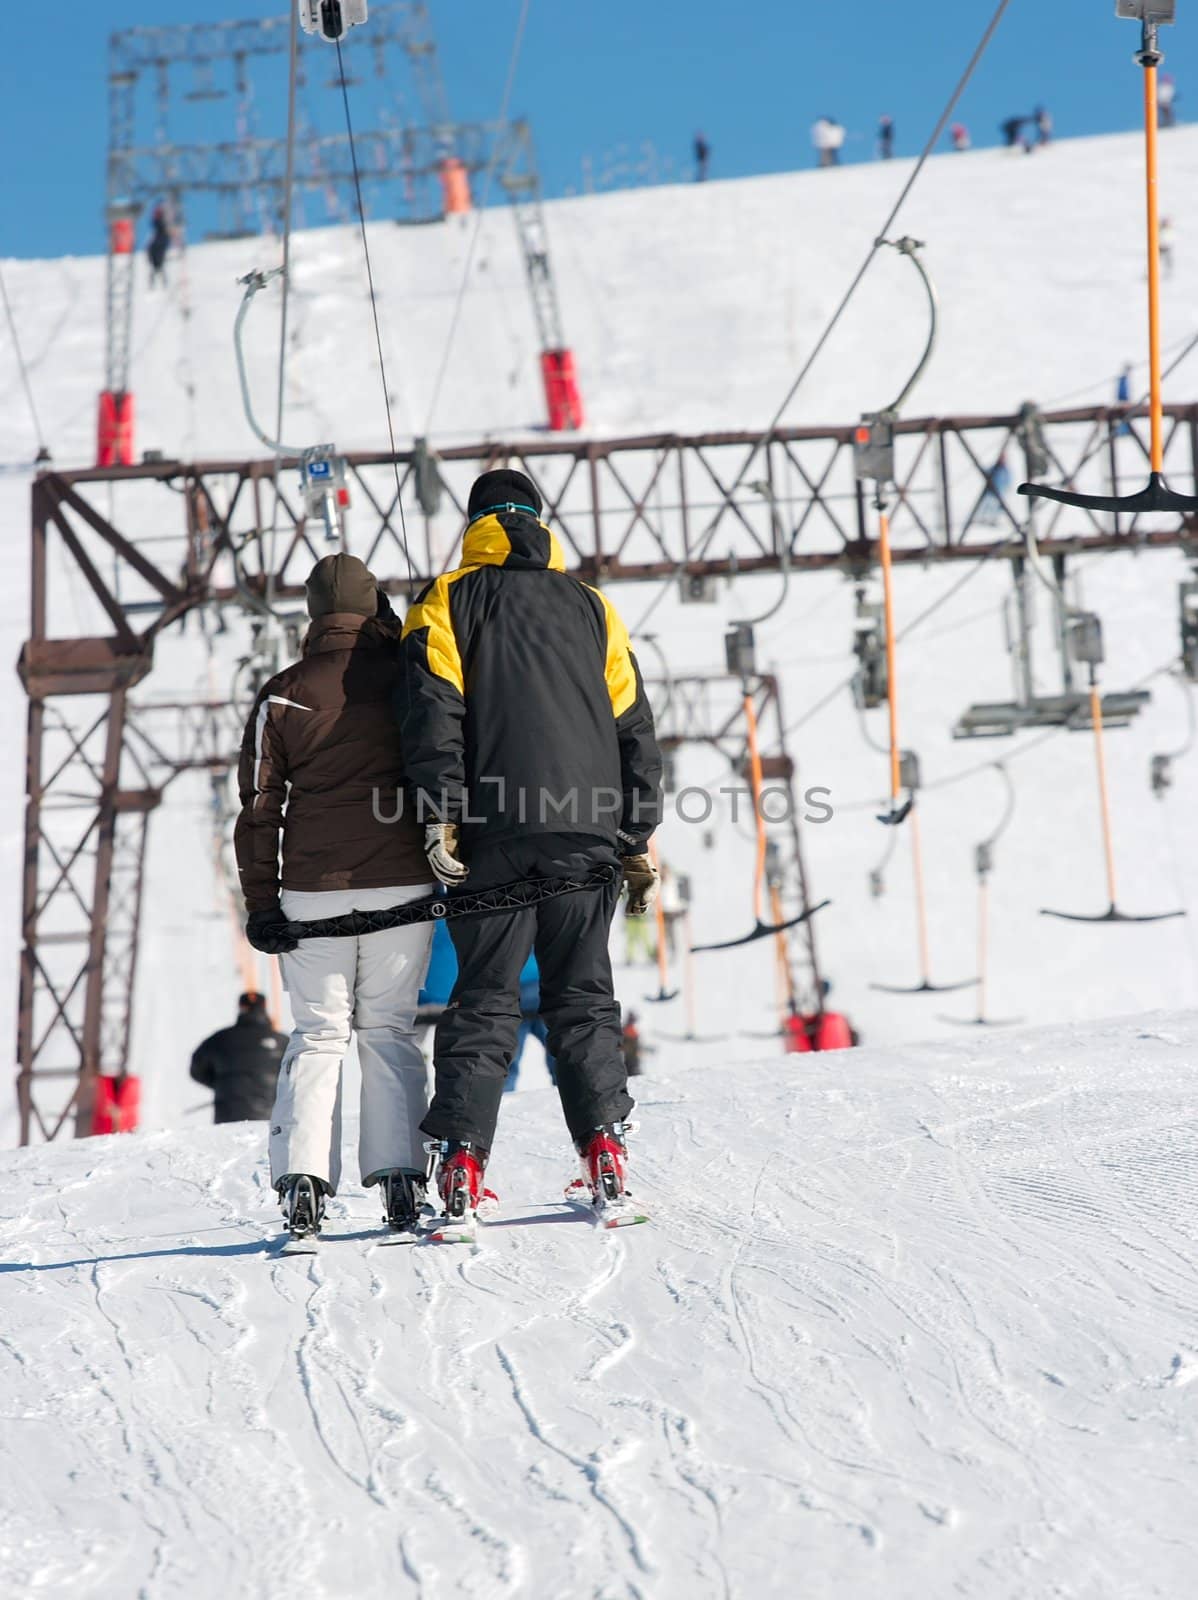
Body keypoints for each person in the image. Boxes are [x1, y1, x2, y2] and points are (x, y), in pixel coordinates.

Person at [398, 468, 662, 1225]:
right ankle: (605, 1152)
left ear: (475, 522)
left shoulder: (446, 598)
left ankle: (462, 1165)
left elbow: (431, 713)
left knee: (484, 1000)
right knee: (583, 998)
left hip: (489, 835)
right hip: (587, 832)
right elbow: (633, 727)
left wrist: (441, 813)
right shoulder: (592, 606)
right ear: (539, 523)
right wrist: (636, 834)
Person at [235, 552, 434, 1244]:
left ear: (314, 614)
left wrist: (263, 902)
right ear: (373, 604)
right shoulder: (410, 677)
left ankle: (302, 1190)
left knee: (319, 1035)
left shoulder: (282, 693)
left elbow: (260, 808)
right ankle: (404, 1181)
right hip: (405, 885)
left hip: (311, 893)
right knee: (389, 1032)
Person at [189, 991, 288, 1123]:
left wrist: (223, 1083)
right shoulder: (282, 1042)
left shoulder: (220, 1039)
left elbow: (196, 1069)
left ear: (241, 1008)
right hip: (271, 1119)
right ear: (264, 1007)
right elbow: (299, 1074)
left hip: (227, 1117)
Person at [508, 951, 556, 1089]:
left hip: (514, 986)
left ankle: (499, 1101)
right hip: (541, 983)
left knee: (506, 1061)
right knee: (560, 1055)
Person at [147, 205, 170, 288]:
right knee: (157, 268)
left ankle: (163, 284)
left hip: (159, 246)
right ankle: (157, 284)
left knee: (158, 268)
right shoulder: (159, 224)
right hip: (158, 247)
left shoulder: (161, 225)